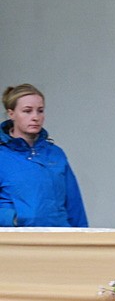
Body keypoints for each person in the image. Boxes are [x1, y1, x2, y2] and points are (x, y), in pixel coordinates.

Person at [0, 83, 88, 228]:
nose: (35, 117)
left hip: (58, 240)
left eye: (40, 111)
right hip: (17, 243)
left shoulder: (56, 154)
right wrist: (14, 219)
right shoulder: (2, 156)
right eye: (27, 111)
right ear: (11, 114)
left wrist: (84, 240)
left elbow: (74, 205)